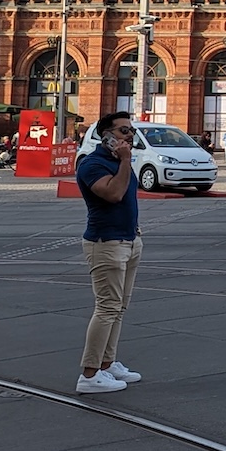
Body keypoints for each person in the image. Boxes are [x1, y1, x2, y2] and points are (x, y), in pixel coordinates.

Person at [74, 111, 143, 395]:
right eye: (124, 130)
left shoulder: (118, 161)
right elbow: (113, 194)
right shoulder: (92, 164)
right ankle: (89, 375)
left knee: (119, 307)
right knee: (106, 308)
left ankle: (107, 363)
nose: (130, 135)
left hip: (129, 240)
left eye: (131, 130)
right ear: (107, 135)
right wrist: (125, 161)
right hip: (106, 243)